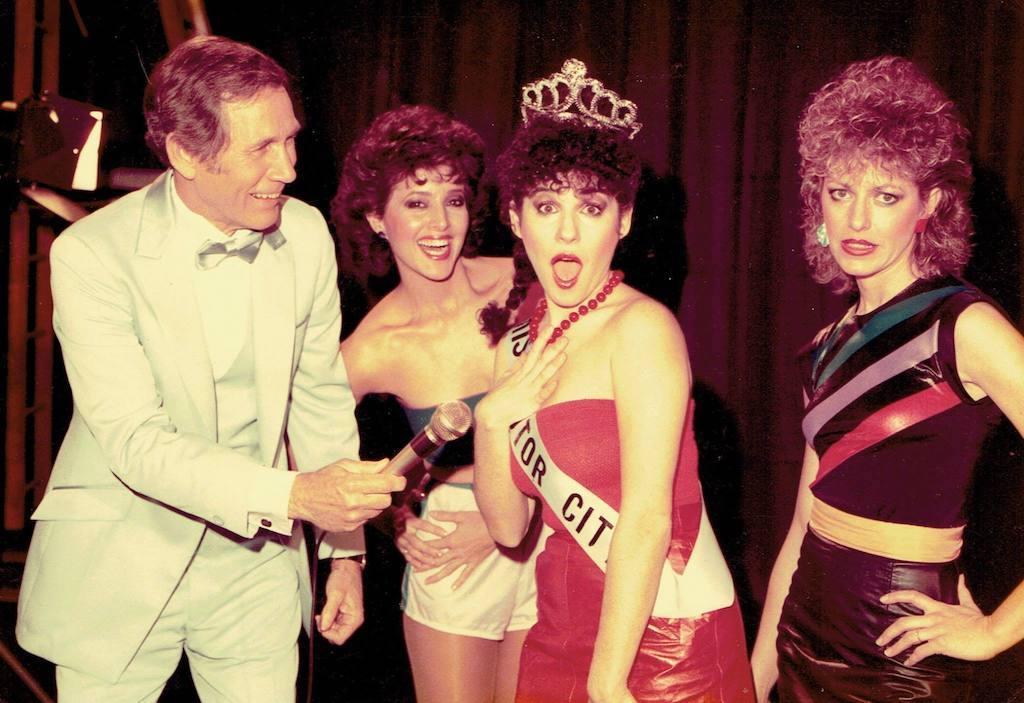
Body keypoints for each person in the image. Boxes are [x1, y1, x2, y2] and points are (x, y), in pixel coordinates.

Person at [15, 35, 405, 701]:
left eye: (290, 139)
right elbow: (136, 442)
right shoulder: (92, 255)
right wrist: (294, 495)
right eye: (262, 148)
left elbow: (317, 396)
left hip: (257, 566)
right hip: (121, 559)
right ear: (185, 154)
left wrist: (345, 550)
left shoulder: (305, 232)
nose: (287, 167)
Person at [473, 59, 754, 703]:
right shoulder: (518, 338)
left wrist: (607, 679)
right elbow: (508, 529)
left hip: (662, 635)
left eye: (591, 208)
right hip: (559, 630)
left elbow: (649, 518)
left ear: (623, 220)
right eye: (546, 206)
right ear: (517, 218)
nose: (567, 231)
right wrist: (492, 419)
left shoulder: (644, 331)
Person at [749, 55, 1024, 702]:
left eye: (886, 195)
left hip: (903, 654)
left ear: (930, 203)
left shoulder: (965, 324)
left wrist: (997, 628)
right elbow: (800, 526)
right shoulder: (824, 345)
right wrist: (757, 674)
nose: (858, 220)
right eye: (840, 192)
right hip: (803, 634)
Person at [333, 104, 542, 703]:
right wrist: (388, 514)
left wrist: (509, 529)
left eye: (453, 199)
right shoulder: (371, 348)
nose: (440, 223)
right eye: (415, 202)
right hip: (453, 552)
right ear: (375, 216)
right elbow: (315, 458)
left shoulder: (521, 284)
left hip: (551, 529)